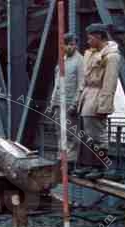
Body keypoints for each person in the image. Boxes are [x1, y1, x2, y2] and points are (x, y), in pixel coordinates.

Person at [74, 23, 121, 180]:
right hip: (88, 96)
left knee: (98, 134)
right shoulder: (93, 54)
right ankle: (88, 164)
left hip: (97, 97)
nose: (88, 41)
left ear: (99, 36)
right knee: (88, 132)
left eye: (90, 37)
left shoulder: (111, 56)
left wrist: (104, 106)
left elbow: (109, 83)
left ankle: (99, 166)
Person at [49, 33, 84, 165]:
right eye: (67, 44)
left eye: (72, 44)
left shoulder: (79, 60)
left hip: (70, 103)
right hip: (59, 103)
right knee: (60, 132)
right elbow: (57, 83)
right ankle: (61, 158)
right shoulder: (62, 60)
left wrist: (75, 104)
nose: (69, 47)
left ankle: (69, 162)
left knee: (71, 134)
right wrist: (52, 103)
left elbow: (81, 84)